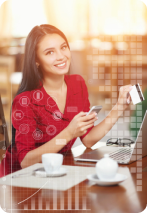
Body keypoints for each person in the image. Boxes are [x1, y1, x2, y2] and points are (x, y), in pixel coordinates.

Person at [0, 24, 132, 177]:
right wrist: (69, 133)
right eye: (50, 52)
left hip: (55, 171)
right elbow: (26, 161)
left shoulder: (77, 84)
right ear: (36, 60)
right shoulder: (25, 101)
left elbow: (88, 139)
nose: (61, 56)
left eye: (63, 47)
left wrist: (119, 106)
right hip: (19, 179)